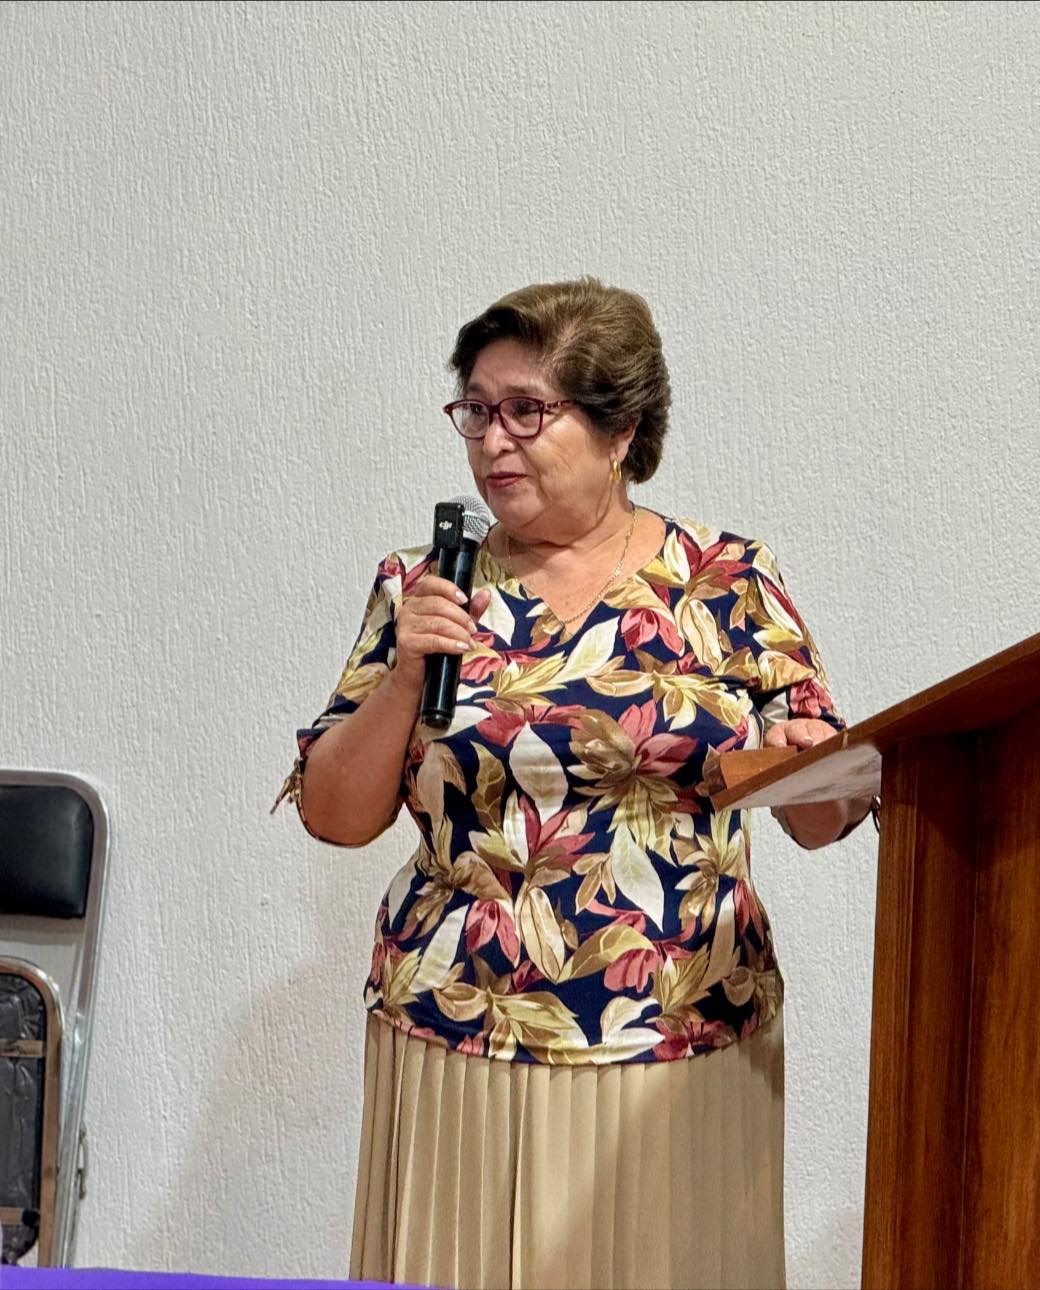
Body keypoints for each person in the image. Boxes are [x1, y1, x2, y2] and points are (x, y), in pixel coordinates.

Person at [275, 277, 870, 1290]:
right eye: (476, 411)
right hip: (461, 1026)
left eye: (526, 411)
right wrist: (407, 675)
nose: (492, 442)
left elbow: (822, 818)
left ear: (620, 429)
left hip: (678, 1032)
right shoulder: (422, 585)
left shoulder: (727, 582)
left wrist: (813, 760)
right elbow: (334, 815)